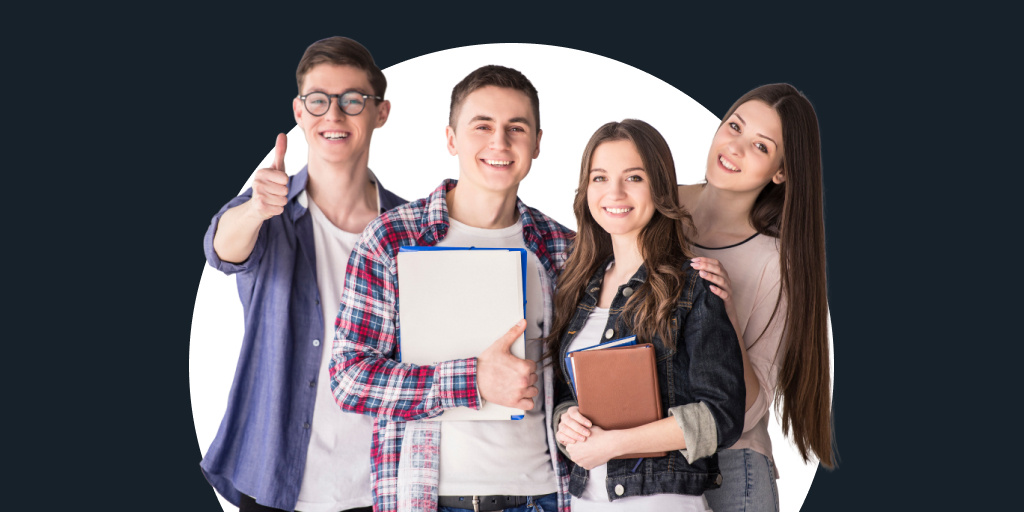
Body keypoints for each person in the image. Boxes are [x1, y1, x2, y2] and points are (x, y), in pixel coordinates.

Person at [329, 65, 574, 512]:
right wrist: (472, 379)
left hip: (543, 495)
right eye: (482, 126)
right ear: (451, 138)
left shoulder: (563, 248)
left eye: (516, 128)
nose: (499, 142)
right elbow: (350, 379)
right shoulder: (392, 240)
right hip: (432, 499)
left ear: (537, 143)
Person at [200, 36, 405, 512]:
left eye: (353, 100)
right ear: (298, 110)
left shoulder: (409, 230)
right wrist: (255, 211)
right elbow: (220, 249)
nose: (333, 115)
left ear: (380, 112)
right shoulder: (265, 212)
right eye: (318, 100)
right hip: (275, 483)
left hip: (382, 485)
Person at [550, 119, 745, 511]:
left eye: (633, 177)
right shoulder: (576, 287)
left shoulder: (692, 285)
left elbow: (721, 416)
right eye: (600, 177)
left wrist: (614, 445)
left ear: (658, 186)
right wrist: (564, 421)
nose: (614, 192)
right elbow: (565, 397)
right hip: (587, 501)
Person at [678, 83, 835, 511]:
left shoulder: (774, 262)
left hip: (730, 467)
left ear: (781, 172)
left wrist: (725, 312)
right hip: (644, 460)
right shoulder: (652, 204)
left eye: (760, 147)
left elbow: (747, 411)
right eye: (734, 126)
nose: (734, 148)